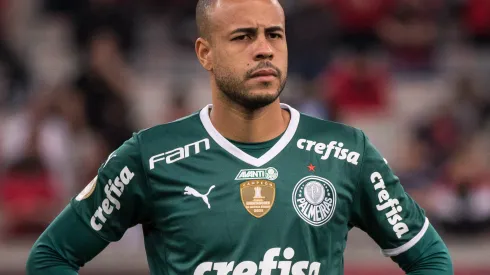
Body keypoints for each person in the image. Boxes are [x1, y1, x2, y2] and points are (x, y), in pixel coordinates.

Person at [26, 0, 453, 274]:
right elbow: (51, 257)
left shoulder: (346, 151)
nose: (264, 49)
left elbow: (431, 258)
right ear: (204, 53)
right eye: (243, 37)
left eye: (274, 34)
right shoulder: (150, 156)